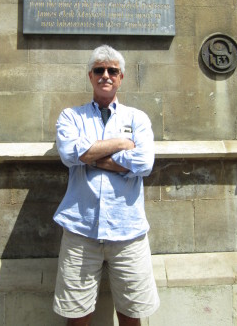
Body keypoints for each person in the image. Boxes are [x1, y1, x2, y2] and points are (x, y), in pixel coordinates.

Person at [53, 45, 159, 326]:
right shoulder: (71, 117)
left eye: (113, 70)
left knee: (131, 315)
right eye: (99, 70)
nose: (106, 75)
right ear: (90, 75)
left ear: (121, 77)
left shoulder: (137, 118)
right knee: (76, 317)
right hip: (81, 230)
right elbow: (70, 154)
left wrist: (91, 156)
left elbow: (144, 163)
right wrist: (122, 144)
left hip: (128, 232)